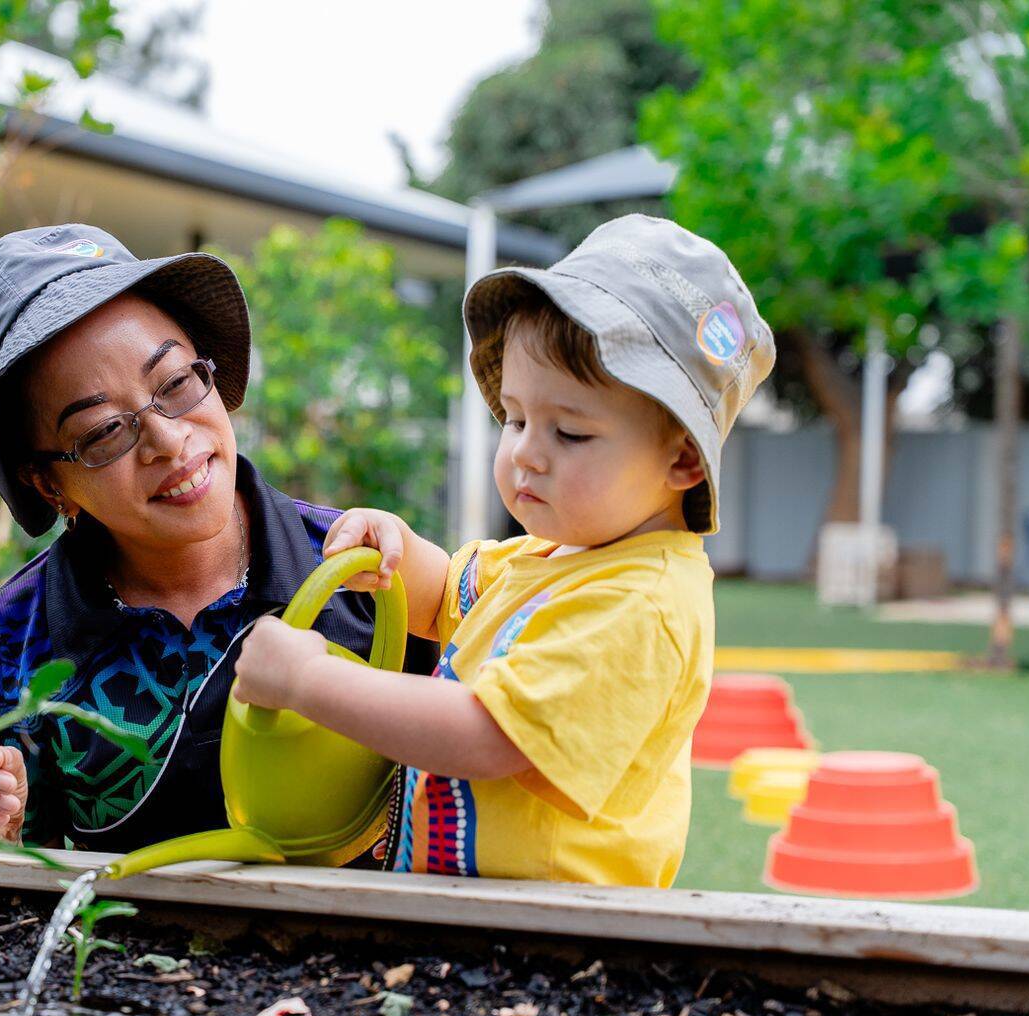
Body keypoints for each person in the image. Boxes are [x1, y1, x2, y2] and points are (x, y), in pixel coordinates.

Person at [232, 215, 775, 886]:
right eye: (515, 418)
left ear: (683, 460)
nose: (525, 453)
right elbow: (443, 596)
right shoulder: (550, 556)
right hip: (478, 918)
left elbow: (488, 737)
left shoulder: (644, 602)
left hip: (551, 929)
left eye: (569, 433)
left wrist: (309, 683)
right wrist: (393, 545)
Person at [0, 224, 431, 852]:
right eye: (103, 431)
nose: (168, 439)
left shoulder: (369, 573)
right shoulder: (9, 636)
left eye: (176, 384)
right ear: (48, 483)